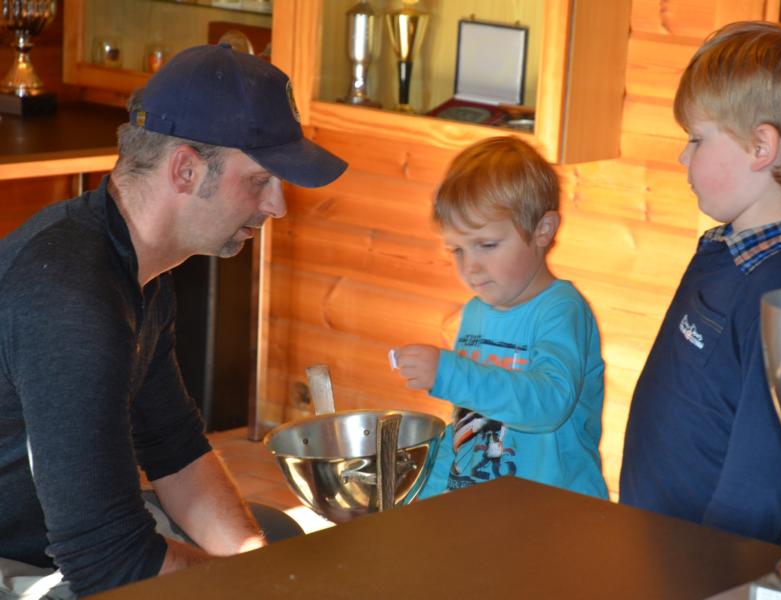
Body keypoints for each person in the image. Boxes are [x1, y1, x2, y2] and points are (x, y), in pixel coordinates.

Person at [0, 44, 347, 597]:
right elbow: (109, 563)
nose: (278, 205)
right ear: (186, 169)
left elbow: (174, 448)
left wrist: (255, 566)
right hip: (22, 562)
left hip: (57, 541)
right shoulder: (70, 298)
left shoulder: (139, 269)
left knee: (273, 541)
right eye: (260, 179)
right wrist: (257, 589)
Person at [619, 21, 781, 545]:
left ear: (760, 147)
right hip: (662, 546)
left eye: (697, 139)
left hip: (710, 562)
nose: (683, 156)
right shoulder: (728, 253)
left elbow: (764, 476)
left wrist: (718, 567)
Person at [391, 136, 608, 500]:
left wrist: (450, 373)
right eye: (457, 250)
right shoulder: (476, 312)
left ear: (543, 230)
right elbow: (466, 426)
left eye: (487, 245)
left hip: (555, 513)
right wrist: (420, 499)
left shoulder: (562, 311)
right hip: (485, 509)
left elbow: (549, 403)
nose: (470, 267)